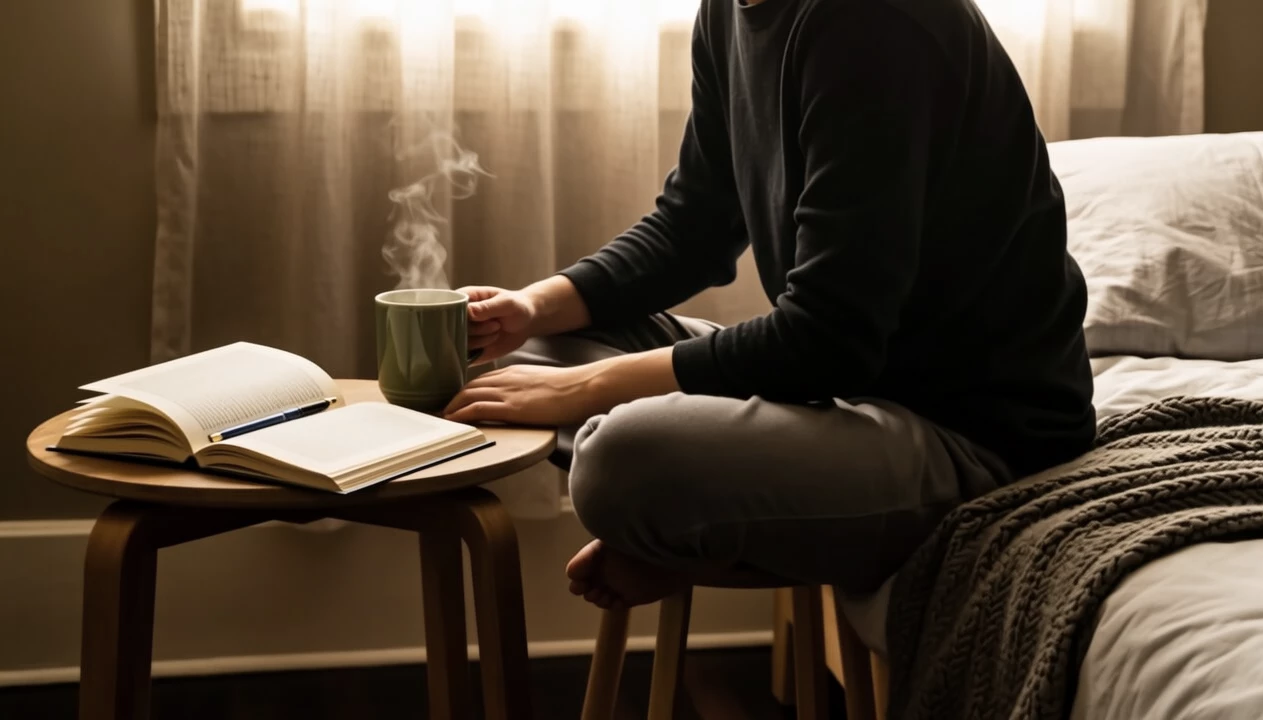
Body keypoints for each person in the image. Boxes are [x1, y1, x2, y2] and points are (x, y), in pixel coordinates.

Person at [442, 0, 1096, 611]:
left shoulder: (873, 25)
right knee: (521, 355)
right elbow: (693, 222)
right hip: (840, 385)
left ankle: (705, 528)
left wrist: (583, 389)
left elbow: (826, 340)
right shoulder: (729, 8)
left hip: (969, 431)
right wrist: (531, 306)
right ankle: (712, 527)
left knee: (619, 461)